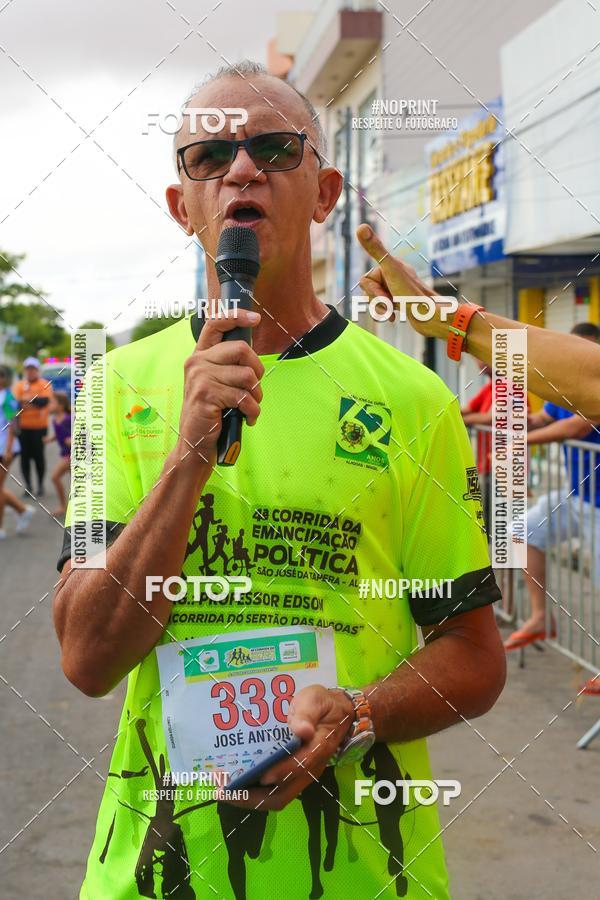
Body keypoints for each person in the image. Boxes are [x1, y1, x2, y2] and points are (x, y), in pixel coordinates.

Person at [53, 60, 505, 899]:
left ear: (326, 191)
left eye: (274, 148)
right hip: (160, 875)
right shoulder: (114, 388)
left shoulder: (415, 400)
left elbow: (475, 658)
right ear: (181, 205)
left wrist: (360, 714)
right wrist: (188, 453)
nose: (242, 170)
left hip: (365, 873)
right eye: (208, 158)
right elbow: (87, 655)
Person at [356, 230, 600, 420]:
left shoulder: (509, 388)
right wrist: (444, 315)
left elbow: (591, 381)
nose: (482, 362)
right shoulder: (493, 387)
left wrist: (446, 319)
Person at [503, 323, 600, 650]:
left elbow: (574, 426)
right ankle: (540, 617)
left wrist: (520, 442)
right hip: (576, 498)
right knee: (521, 532)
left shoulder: (596, 386)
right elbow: (546, 419)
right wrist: (515, 422)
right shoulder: (564, 385)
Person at [0, 365, 35, 539]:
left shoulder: (7, 398)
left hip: (6, 448)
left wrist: (7, 449)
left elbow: (12, 425)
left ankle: (1, 529)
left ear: (3, 378)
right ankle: (22, 510)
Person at [13, 356, 53, 497]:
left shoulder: (44, 384)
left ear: (37, 370)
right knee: (25, 458)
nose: (30, 372)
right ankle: (28, 486)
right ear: (25, 370)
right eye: (28, 369)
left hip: (39, 428)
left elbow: (44, 401)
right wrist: (33, 401)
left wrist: (27, 401)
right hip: (23, 428)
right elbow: (15, 404)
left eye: (33, 369)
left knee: (38, 457)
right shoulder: (19, 385)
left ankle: (40, 485)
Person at [43, 390, 71, 517]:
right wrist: (51, 439)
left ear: (60, 405)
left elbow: (81, 433)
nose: (49, 405)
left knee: (55, 477)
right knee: (80, 483)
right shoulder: (55, 419)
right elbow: (59, 433)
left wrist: (71, 440)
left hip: (72, 455)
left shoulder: (68, 419)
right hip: (65, 454)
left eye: (52, 403)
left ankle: (63, 506)